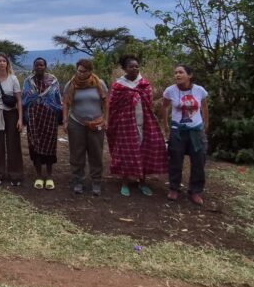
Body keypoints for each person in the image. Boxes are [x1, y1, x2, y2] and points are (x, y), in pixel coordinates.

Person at [106, 55, 167, 197]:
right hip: (125, 126)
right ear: (124, 68)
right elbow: (113, 106)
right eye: (131, 66)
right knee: (126, 152)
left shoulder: (144, 84)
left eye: (136, 66)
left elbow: (149, 104)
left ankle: (142, 182)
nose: (134, 68)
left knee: (143, 151)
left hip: (143, 123)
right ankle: (125, 182)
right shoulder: (119, 86)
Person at [162, 64, 209, 205]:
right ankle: (174, 188)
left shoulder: (199, 90)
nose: (177, 75)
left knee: (199, 161)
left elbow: (205, 106)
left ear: (190, 75)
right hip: (178, 131)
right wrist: (165, 125)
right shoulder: (170, 90)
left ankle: (195, 191)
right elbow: (164, 107)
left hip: (196, 131)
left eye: (181, 72)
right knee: (175, 160)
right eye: (175, 72)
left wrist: (206, 125)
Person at [64, 59, 108, 196]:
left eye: (84, 71)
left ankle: (96, 181)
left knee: (96, 152)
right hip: (76, 123)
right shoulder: (71, 85)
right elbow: (65, 103)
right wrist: (65, 120)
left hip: (96, 123)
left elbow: (106, 101)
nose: (81, 74)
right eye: (79, 70)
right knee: (77, 153)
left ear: (90, 71)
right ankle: (78, 181)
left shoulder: (99, 84)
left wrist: (106, 119)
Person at [22, 57, 62, 190]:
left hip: (49, 117)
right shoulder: (28, 81)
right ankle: (39, 176)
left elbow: (57, 100)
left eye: (41, 65)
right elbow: (25, 99)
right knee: (34, 144)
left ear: (45, 66)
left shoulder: (53, 81)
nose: (39, 67)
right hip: (33, 117)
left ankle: (49, 176)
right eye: (37, 65)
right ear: (33, 67)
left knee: (50, 145)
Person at [0, 53, 23, 187]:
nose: (1, 63)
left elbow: (19, 100)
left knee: (13, 144)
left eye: (4, 61)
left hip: (12, 114)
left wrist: (20, 119)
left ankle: (15, 175)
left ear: (7, 63)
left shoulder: (13, 79)